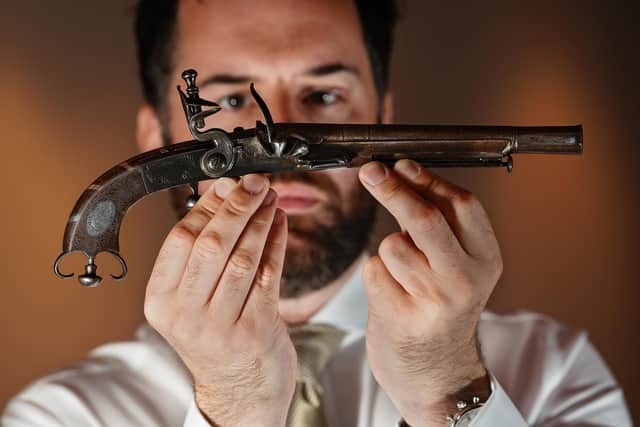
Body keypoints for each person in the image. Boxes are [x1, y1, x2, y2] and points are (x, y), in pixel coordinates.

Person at [2, 1, 633, 426]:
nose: (286, 156)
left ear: (381, 119)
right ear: (155, 134)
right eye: (228, 98)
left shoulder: (552, 365)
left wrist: (450, 388)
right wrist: (235, 407)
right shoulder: (62, 414)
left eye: (324, 94)